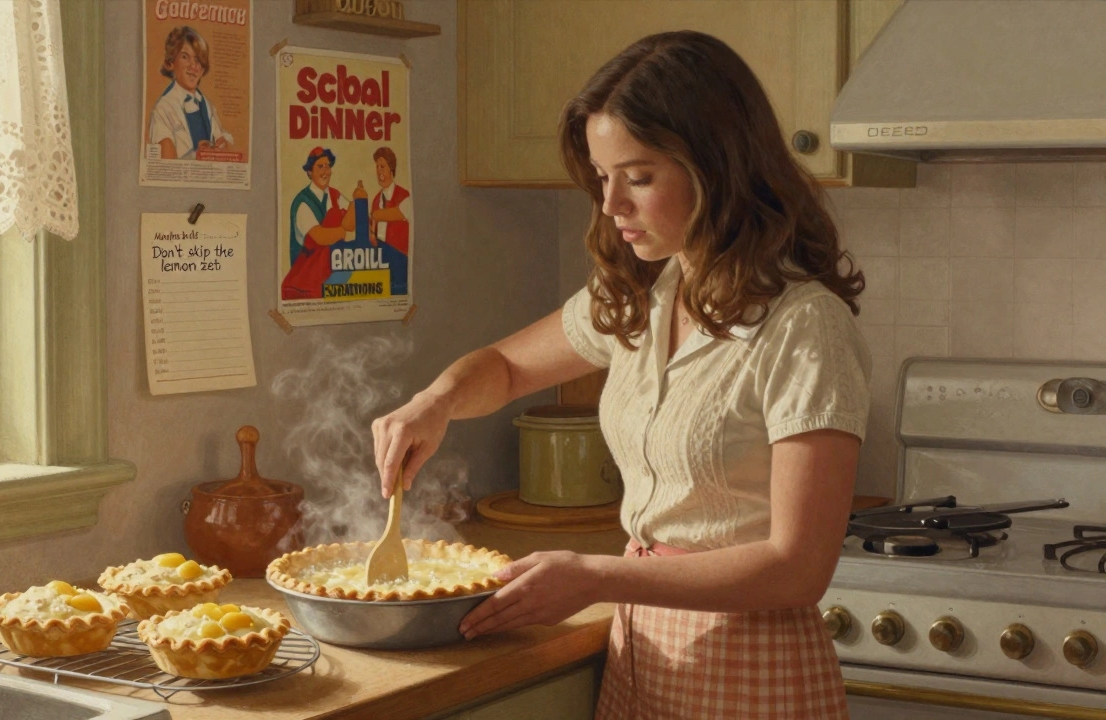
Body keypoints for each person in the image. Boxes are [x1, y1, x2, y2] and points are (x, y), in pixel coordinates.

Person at [370, 30, 870, 720]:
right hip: (642, 651)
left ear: (717, 167)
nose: (611, 205)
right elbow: (508, 367)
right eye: (603, 178)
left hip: (751, 667)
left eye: (638, 177)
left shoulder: (803, 325)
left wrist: (596, 575)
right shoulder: (642, 297)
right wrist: (436, 401)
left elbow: (797, 568)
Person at [281, 147, 366, 300]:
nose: (325, 171)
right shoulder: (303, 202)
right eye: (320, 166)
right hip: (306, 280)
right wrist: (345, 230)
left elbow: (351, 223)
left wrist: (356, 201)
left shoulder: (335, 195)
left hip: (331, 270)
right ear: (309, 172)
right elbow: (321, 237)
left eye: (328, 166)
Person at [148, 26, 234, 160]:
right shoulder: (163, 109)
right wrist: (197, 155)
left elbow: (220, 138)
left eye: (198, 59)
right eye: (184, 57)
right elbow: (166, 167)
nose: (193, 66)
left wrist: (223, 144)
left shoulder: (208, 106)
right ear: (170, 63)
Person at [369, 147, 411, 295]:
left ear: (391, 168)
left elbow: (397, 214)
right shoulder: (375, 200)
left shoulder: (404, 196)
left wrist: (375, 216)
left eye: (382, 167)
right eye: (377, 168)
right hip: (381, 257)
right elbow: (372, 233)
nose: (379, 172)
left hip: (400, 258)